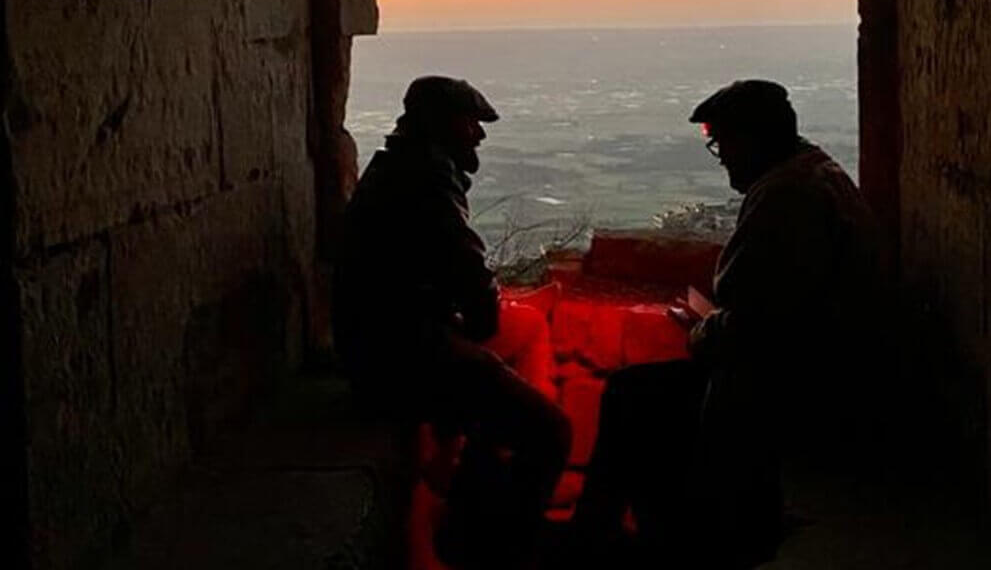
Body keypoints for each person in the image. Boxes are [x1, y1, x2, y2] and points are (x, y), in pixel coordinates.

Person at [567, 79, 882, 569]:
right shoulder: (815, 175)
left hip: (797, 381)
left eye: (724, 144)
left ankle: (615, 543)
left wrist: (701, 329)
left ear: (752, 140)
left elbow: (756, 326)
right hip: (824, 363)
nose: (722, 158)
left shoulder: (785, 198)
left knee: (632, 397)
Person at [333, 76, 571, 569]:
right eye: (471, 124)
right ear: (439, 125)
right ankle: (504, 548)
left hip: (384, 347)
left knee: (492, 400)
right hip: (401, 355)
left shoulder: (401, 170)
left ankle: (477, 525)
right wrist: (480, 324)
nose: (479, 137)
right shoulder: (424, 179)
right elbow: (468, 270)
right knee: (550, 430)